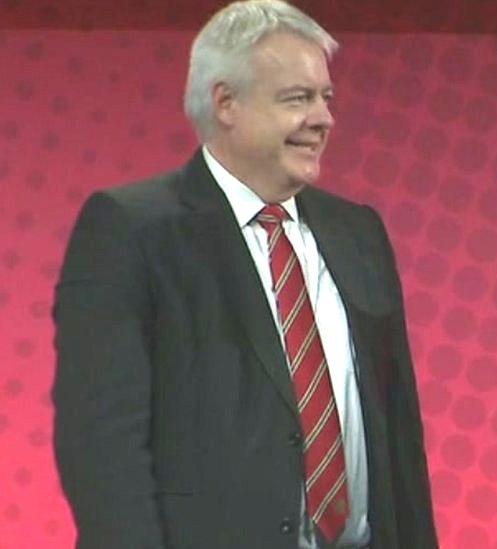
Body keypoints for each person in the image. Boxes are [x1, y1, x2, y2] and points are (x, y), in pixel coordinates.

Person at [52, 2, 437, 548]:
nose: (324, 118)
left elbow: (399, 431)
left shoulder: (358, 231)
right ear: (225, 102)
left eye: (326, 98)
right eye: (297, 99)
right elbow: (101, 447)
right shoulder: (132, 230)